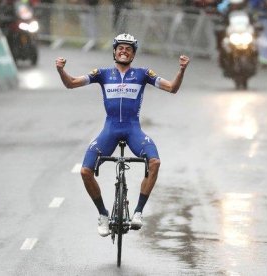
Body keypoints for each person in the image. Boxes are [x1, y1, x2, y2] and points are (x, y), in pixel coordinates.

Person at [55, 33, 190, 237]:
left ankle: (137, 212)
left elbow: (172, 88)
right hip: (109, 129)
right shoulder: (102, 74)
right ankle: (103, 214)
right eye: (121, 48)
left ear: (133, 54)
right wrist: (60, 70)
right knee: (85, 171)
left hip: (133, 129)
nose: (124, 51)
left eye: (128, 49)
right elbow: (71, 83)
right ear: (114, 51)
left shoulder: (143, 74)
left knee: (154, 162)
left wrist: (181, 70)